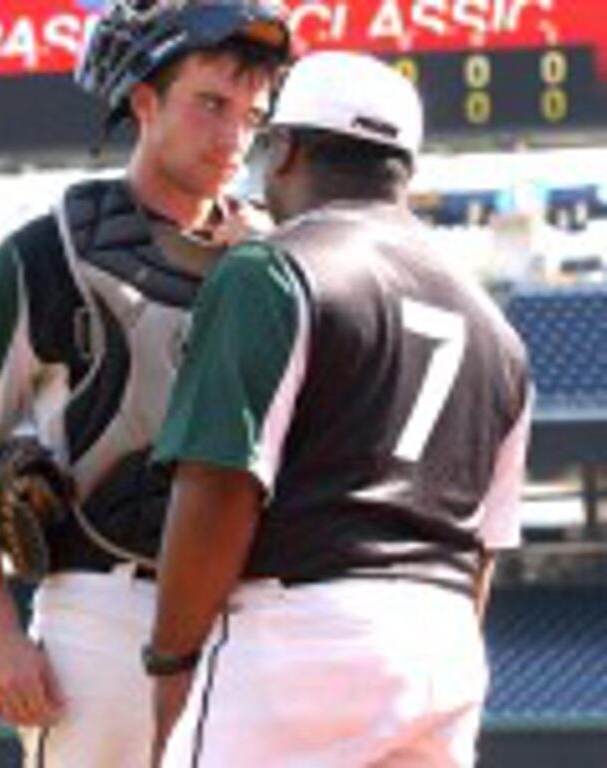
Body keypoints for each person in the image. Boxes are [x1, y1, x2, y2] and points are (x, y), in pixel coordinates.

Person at [0, 1, 290, 765]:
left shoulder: (285, 261)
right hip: (104, 616)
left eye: (254, 114)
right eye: (210, 103)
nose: (233, 136)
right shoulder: (46, 255)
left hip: (255, 618)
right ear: (144, 101)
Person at [147, 50, 532, 767]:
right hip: (441, 643)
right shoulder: (498, 332)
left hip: (299, 638)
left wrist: (170, 663)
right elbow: (480, 549)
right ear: (403, 170)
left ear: (286, 148)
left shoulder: (271, 270)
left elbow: (219, 484)